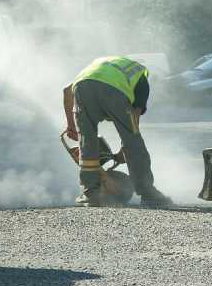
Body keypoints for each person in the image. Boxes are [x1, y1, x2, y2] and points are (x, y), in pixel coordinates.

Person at [63, 56, 172, 207]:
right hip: (113, 93)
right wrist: (124, 150)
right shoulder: (140, 78)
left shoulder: (96, 66)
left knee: (87, 142)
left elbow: (66, 91)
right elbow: (133, 126)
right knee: (133, 141)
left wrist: (71, 125)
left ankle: (91, 194)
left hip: (82, 88)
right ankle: (148, 193)